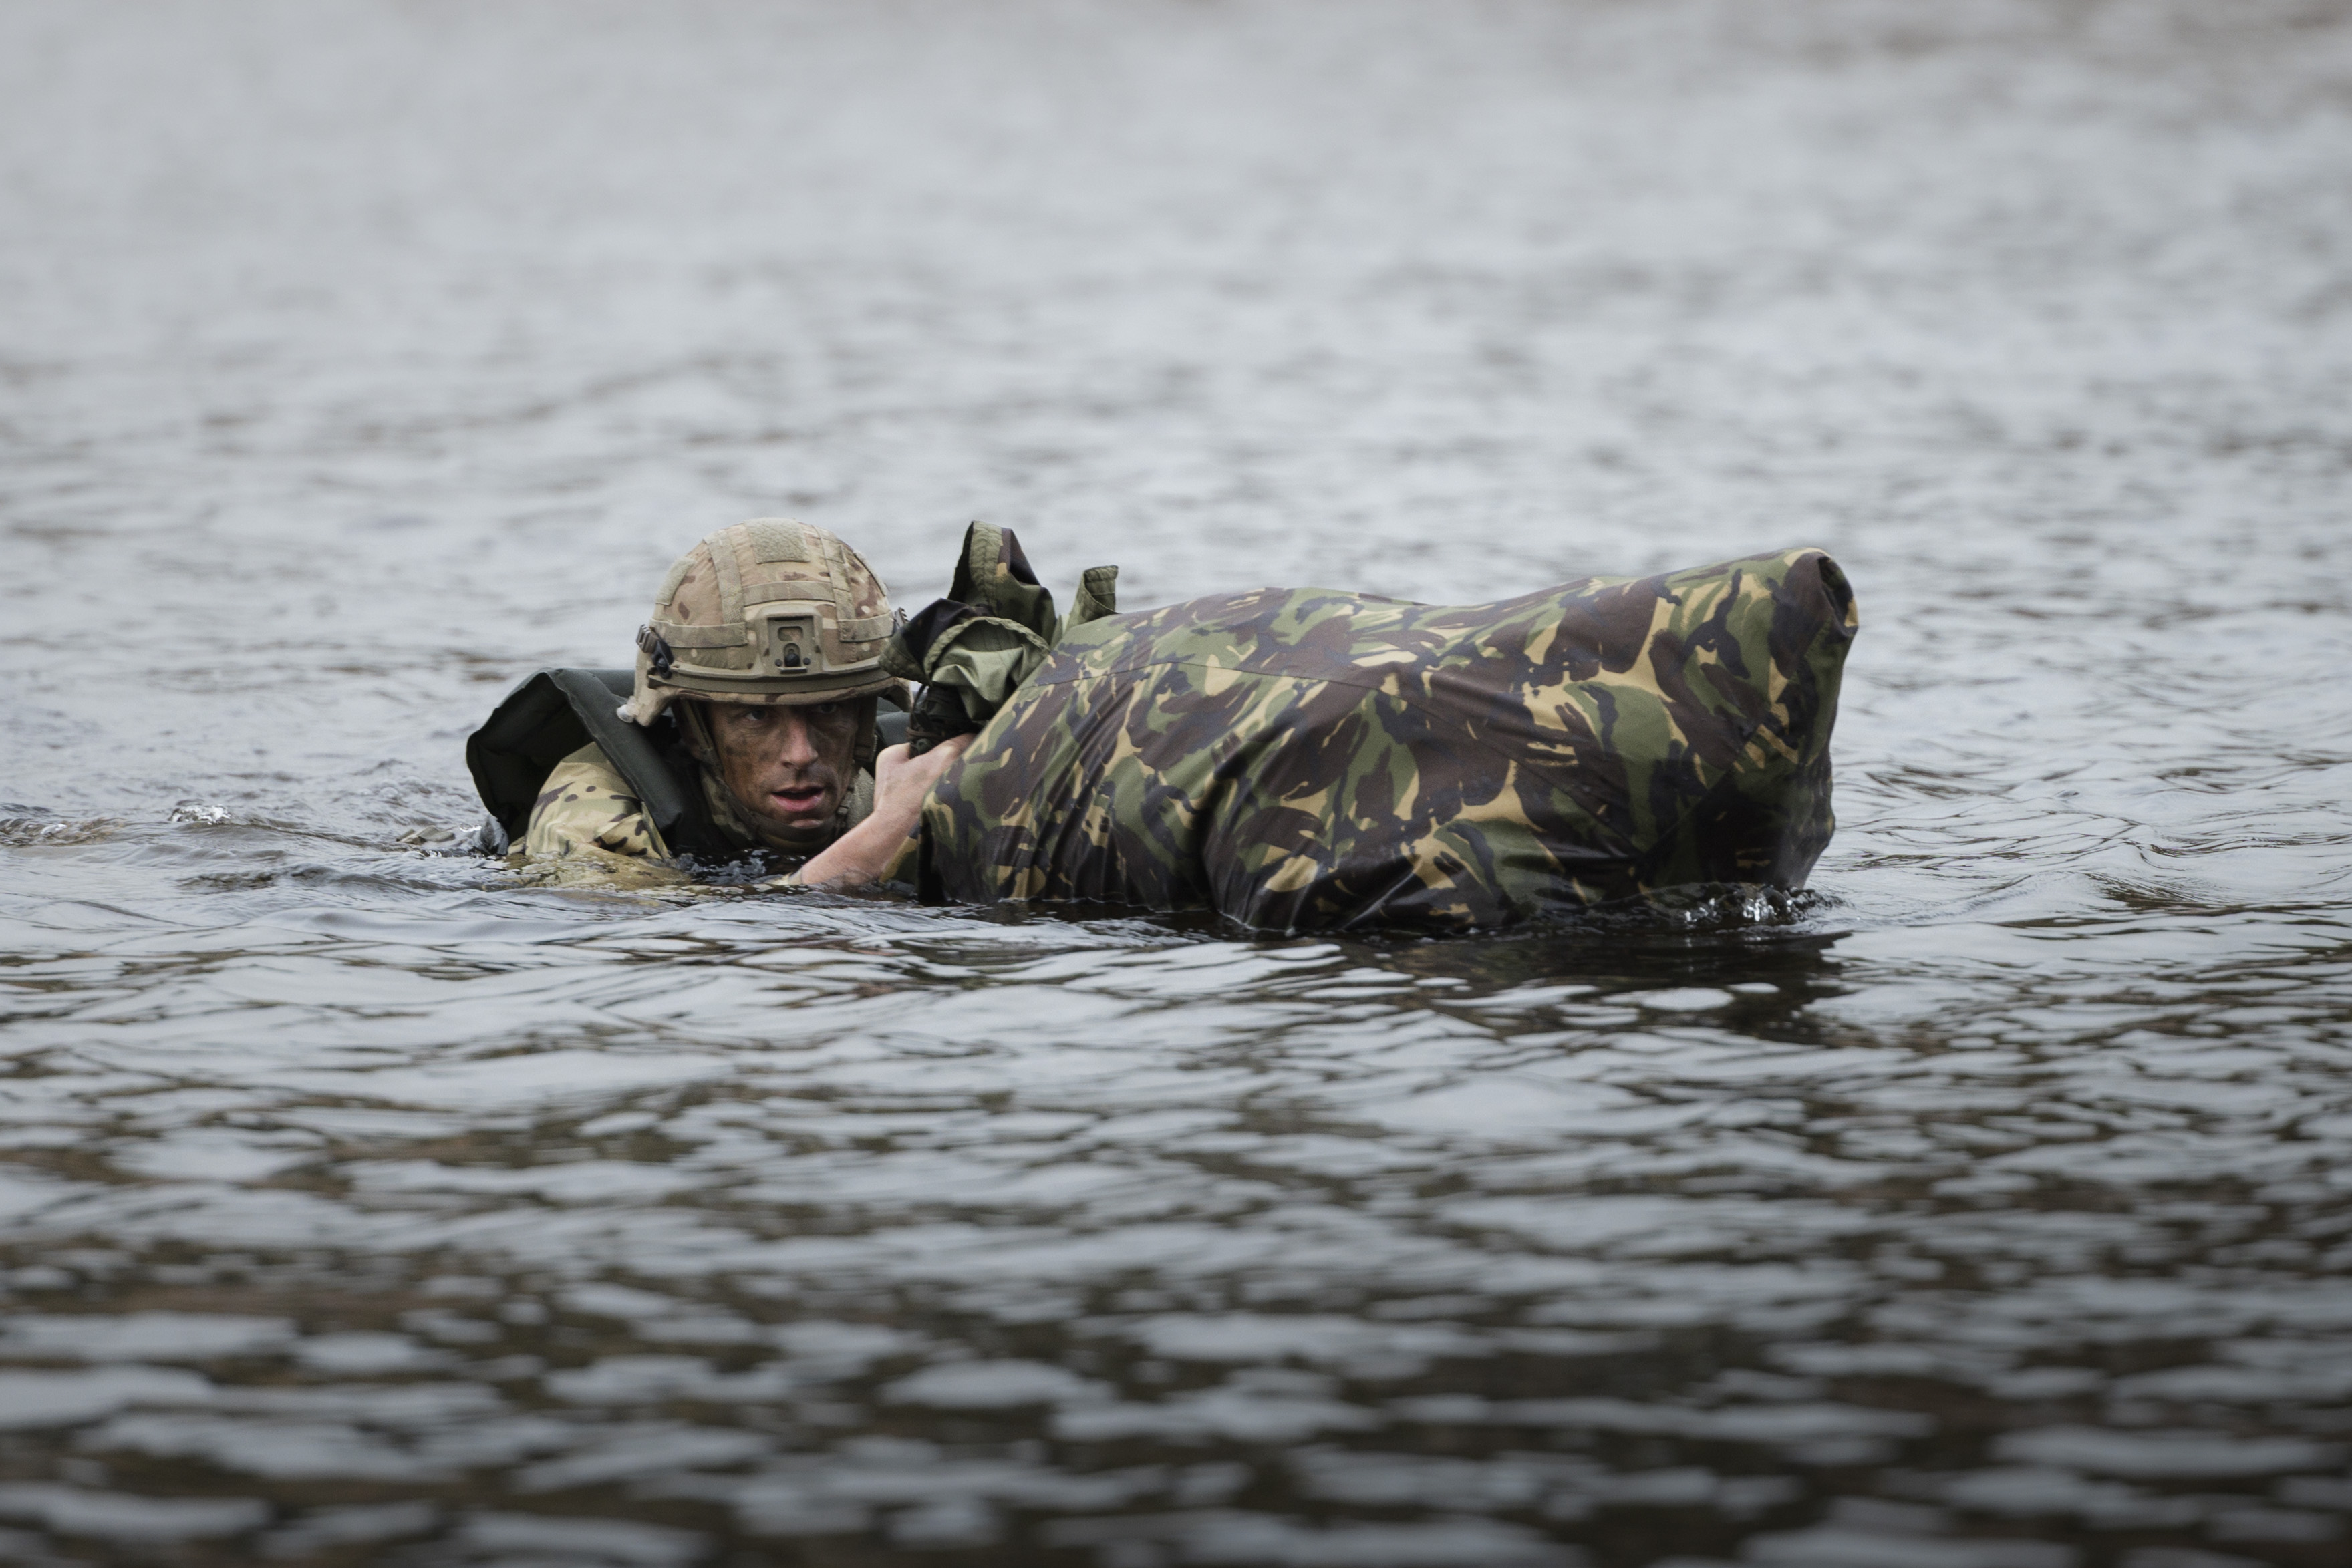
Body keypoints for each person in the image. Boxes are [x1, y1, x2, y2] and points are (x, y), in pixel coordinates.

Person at [466, 519, 968, 887]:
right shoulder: (592, 812)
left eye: (828, 708)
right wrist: (884, 835)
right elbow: (658, 946)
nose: (800, 753)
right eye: (756, 715)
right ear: (691, 724)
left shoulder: (900, 774)